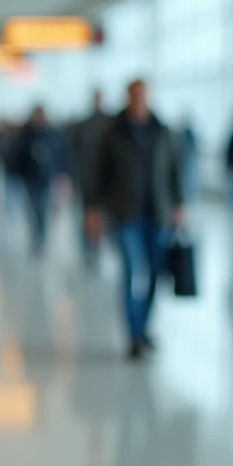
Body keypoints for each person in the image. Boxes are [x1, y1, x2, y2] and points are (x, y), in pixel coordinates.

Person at [88, 80, 185, 360]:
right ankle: (133, 334)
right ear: (128, 96)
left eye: (144, 94)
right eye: (135, 94)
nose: (140, 99)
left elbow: (174, 168)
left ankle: (143, 327)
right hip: (125, 213)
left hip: (157, 213)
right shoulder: (113, 132)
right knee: (131, 271)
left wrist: (179, 204)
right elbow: (97, 173)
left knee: (155, 273)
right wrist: (93, 208)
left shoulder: (162, 130)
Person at [66, 90, 113, 263]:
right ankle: (88, 248)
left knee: (101, 216)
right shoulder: (84, 125)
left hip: (104, 181)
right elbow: (72, 152)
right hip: (85, 177)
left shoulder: (111, 123)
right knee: (86, 214)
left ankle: (96, 246)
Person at [14, 105, 66, 255]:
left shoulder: (53, 134)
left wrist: (61, 175)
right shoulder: (26, 135)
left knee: (43, 208)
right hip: (30, 179)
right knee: (33, 209)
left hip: (46, 179)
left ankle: (42, 237)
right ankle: (35, 236)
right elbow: (18, 157)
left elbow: (60, 155)